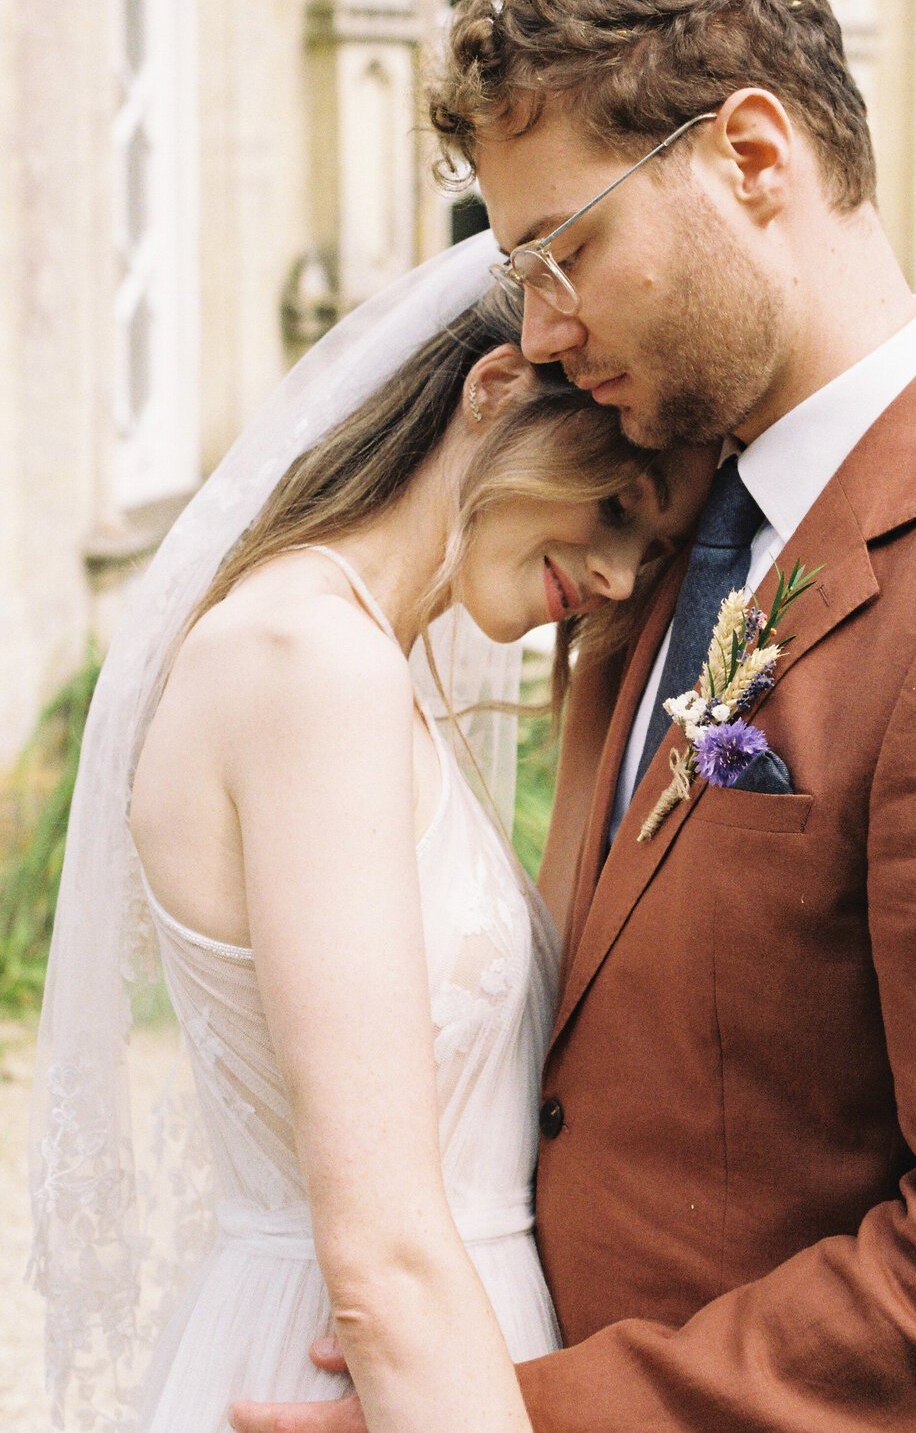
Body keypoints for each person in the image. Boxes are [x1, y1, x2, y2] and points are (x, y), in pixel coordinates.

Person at [232, 0, 916, 1433]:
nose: (540, 329)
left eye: (569, 249)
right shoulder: (669, 513)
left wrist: (521, 1413)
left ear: (752, 159)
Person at [28, 252, 705, 1433]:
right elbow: (385, 1258)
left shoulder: (361, 658)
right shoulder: (310, 666)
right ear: (494, 391)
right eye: (612, 509)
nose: (613, 574)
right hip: (369, 1378)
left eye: (644, 551)